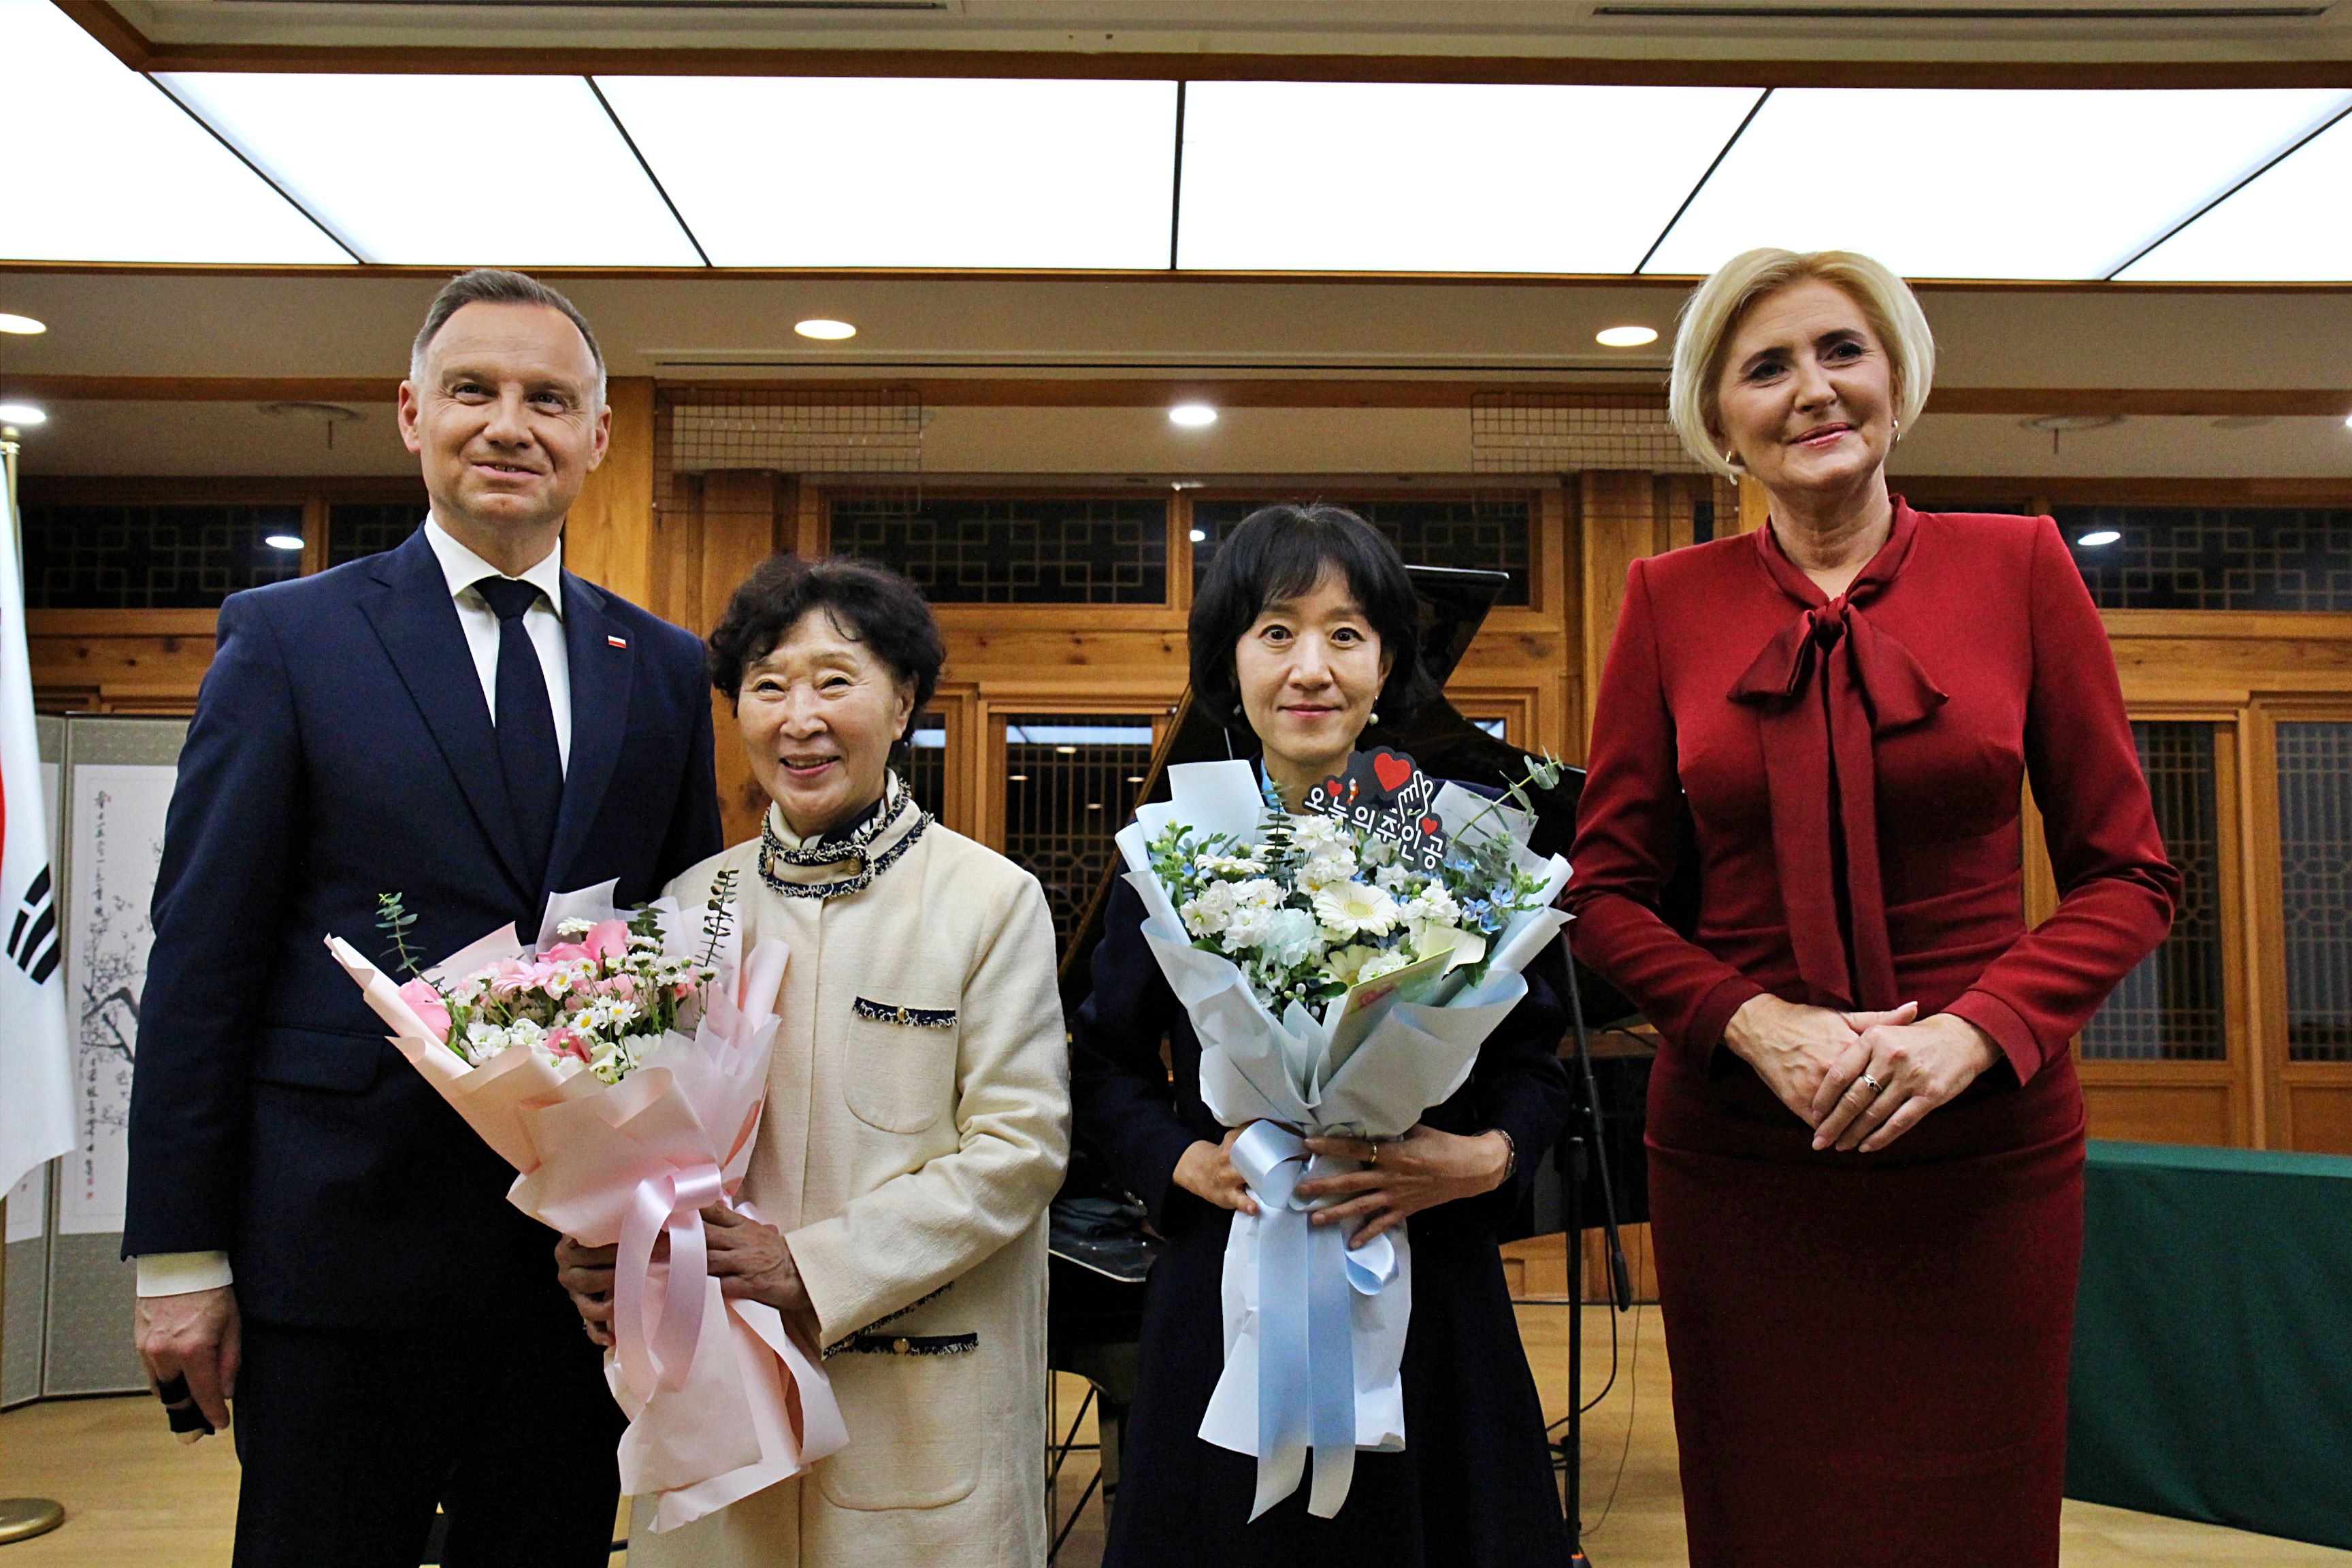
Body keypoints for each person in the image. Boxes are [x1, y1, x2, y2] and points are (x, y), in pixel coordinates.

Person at [1565, 248, 2179, 1567]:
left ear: (1897, 380)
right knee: (1765, 1513)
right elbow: (1608, 893)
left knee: (1978, 1508)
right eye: (1766, 366)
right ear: (1718, 418)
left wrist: (1976, 1030)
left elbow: (2129, 874)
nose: (1812, 389)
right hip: (1744, 1160)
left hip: (1985, 1152)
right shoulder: (1669, 602)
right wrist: (1750, 1024)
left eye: (1842, 350)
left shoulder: (2020, 568)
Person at [122, 267, 723, 1567]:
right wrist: (178, 1253)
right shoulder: (289, 641)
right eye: (474, 391)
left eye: (548, 399)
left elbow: (686, 961)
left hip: (576, 1272)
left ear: (596, 438)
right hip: (336, 1251)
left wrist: (671, 1218)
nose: (511, 424)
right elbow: (202, 965)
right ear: (412, 415)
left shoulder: (665, 669)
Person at [1071, 504, 1573, 1567]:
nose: (1313, 667)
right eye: (1277, 631)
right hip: (1229, 1263)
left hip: (1425, 1272)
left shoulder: (1460, 843)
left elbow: (1534, 1070)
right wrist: (1178, 1162)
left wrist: (1484, 1159)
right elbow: (1103, 1060)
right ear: (1230, 662)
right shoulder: (1174, 852)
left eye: (1346, 634)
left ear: (1387, 663)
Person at [557, 555, 1070, 1567]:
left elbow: (1021, 1149)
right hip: (719, 1412)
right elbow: (634, 1135)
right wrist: (603, 1239)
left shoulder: (988, 900)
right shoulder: (691, 906)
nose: (800, 717)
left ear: (903, 701)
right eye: (768, 684)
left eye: (836, 680)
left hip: (914, 1404)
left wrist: (816, 1265)